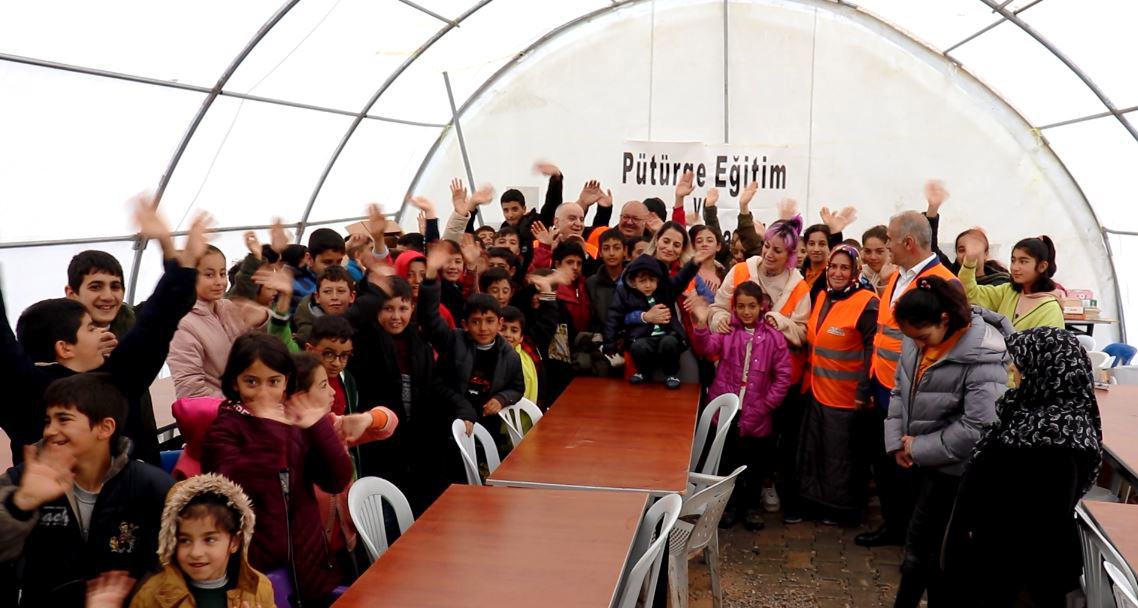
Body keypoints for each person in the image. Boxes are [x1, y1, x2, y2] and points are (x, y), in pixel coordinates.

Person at [4, 196, 202, 466]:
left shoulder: (115, 376)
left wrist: (179, 263)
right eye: (89, 329)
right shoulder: (31, 392)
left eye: (115, 286)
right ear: (64, 347)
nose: (102, 333)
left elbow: (156, 324)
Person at [945, 327, 1102, 607]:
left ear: (1043, 371)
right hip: (997, 556)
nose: (1012, 370)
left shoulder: (1055, 438)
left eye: (1020, 365)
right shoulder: (1035, 412)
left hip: (1008, 572)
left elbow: (1038, 524)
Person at [201, 332, 354, 607]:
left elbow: (336, 479)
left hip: (309, 570)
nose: (263, 393)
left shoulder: (295, 422)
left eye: (273, 382)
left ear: (286, 383)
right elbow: (236, 492)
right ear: (234, 382)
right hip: (255, 576)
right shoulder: (223, 431)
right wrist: (271, 431)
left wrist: (318, 426)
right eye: (251, 382)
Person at [885, 277, 1011, 608]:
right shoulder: (917, 339)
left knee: (937, 557)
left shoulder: (984, 355)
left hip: (955, 473)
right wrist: (897, 442)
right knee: (918, 549)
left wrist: (917, 447)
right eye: (912, 339)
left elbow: (979, 426)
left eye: (923, 337)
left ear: (944, 319)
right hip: (921, 461)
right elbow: (900, 390)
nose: (918, 345)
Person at [0, 373, 173, 606]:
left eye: (63, 419)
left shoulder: (153, 487)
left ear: (105, 428)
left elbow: (175, 572)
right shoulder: (21, 480)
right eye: (47, 421)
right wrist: (20, 505)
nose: (50, 431)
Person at [856, 210, 960, 549]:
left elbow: (948, 344)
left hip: (916, 393)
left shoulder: (942, 282)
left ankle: (915, 540)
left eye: (889, 239)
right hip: (884, 387)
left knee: (911, 468)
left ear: (908, 242)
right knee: (887, 466)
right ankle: (894, 526)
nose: (886, 245)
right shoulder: (898, 277)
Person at [708, 210, 812, 520]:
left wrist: (781, 322)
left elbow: (803, 333)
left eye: (777, 251)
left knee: (763, 446)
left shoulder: (799, 287)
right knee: (728, 446)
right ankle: (724, 502)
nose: (768, 254)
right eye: (766, 247)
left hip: (773, 383)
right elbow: (716, 309)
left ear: (790, 256)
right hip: (733, 377)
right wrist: (720, 319)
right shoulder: (741, 271)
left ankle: (756, 496)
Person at [345, 272, 464, 514]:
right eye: (387, 309)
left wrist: (463, 408)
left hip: (417, 441)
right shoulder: (366, 341)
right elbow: (354, 319)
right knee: (388, 513)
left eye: (403, 308)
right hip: (381, 443)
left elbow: (433, 386)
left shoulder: (419, 343)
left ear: (412, 308)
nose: (396, 316)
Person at [689, 282, 792, 530]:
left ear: (761, 307)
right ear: (734, 307)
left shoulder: (773, 337)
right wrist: (701, 324)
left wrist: (767, 404)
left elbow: (783, 375)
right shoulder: (727, 331)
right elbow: (706, 348)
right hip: (727, 410)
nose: (747, 312)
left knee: (754, 462)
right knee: (727, 461)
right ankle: (728, 506)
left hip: (757, 411)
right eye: (742, 306)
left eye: (752, 306)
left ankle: (751, 508)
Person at [797, 246, 880, 526]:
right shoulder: (822, 296)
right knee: (818, 453)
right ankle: (818, 505)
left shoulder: (867, 302)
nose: (837, 273)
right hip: (818, 391)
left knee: (841, 459)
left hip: (847, 398)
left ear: (856, 271)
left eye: (845, 268)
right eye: (833, 267)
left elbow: (873, 351)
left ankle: (843, 512)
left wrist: (863, 391)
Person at [419, 245, 524, 445]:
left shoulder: (510, 356)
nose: (483, 328)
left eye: (490, 321)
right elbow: (429, 318)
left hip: (487, 429)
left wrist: (502, 399)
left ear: (500, 324)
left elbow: (517, 388)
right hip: (447, 425)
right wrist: (431, 277)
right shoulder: (453, 341)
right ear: (465, 325)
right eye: (476, 322)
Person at [128, 473, 276, 608]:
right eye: (185, 540)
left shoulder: (259, 590)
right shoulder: (151, 595)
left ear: (235, 542)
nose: (196, 552)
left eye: (209, 539)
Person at [168, 245, 269, 399]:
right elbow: (190, 391)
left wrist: (263, 320)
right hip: (219, 417)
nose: (219, 281)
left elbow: (257, 350)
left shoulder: (227, 307)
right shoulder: (181, 325)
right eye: (209, 275)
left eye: (222, 274)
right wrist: (239, 404)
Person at [604, 251, 704, 389]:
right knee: (638, 347)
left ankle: (672, 374)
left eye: (652, 280)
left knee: (669, 342)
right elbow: (614, 317)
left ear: (658, 280)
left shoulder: (665, 290)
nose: (648, 285)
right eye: (642, 280)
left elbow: (680, 279)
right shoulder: (624, 294)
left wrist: (693, 264)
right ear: (633, 282)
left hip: (667, 334)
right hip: (641, 337)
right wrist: (609, 344)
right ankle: (643, 373)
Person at [959, 235, 1065, 331]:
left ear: (1042, 266)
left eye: (1023, 261)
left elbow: (1050, 348)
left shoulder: (1050, 309)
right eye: (1013, 261)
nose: (1015, 268)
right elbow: (970, 294)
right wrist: (970, 262)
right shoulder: (1007, 292)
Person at [293, 265, 357, 346]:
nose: (334, 297)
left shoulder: (363, 327)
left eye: (341, 291)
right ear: (317, 297)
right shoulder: (306, 334)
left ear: (352, 296)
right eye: (327, 292)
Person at [860, 225, 895, 296]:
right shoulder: (859, 275)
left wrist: (884, 283)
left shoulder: (901, 275)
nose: (873, 257)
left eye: (879, 252)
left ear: (890, 250)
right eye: (868, 251)